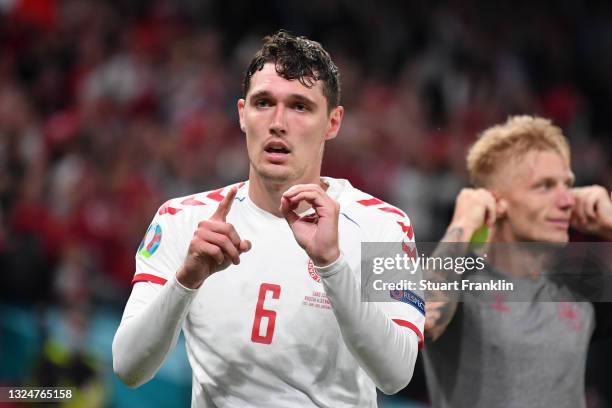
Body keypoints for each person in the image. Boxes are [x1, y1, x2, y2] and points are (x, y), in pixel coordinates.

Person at [112, 31, 424, 407]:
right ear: (242, 114)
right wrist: (186, 280)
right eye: (264, 103)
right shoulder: (183, 219)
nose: (278, 122)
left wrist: (332, 265)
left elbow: (396, 374)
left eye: (300, 107)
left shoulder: (384, 226)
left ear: (333, 122)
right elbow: (128, 367)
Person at [423, 115, 612, 408]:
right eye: (545, 186)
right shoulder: (459, 279)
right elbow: (422, 320)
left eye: (568, 185)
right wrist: (463, 223)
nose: (566, 200)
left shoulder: (582, 284)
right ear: (497, 201)